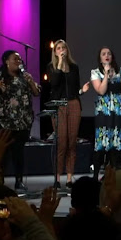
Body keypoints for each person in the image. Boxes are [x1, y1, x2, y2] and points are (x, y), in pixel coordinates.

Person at [0, 50, 41, 191]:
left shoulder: (25, 76)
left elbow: (36, 93)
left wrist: (31, 82)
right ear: (6, 61)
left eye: (20, 60)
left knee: (18, 153)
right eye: (15, 59)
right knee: (2, 154)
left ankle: (19, 181)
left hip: (22, 122)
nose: (19, 62)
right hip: (4, 121)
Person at [48, 39, 89, 189]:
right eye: (58, 48)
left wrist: (82, 92)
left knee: (72, 142)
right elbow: (54, 83)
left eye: (63, 48)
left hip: (73, 104)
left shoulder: (74, 67)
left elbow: (75, 88)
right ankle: (57, 178)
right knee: (62, 142)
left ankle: (70, 178)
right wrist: (59, 64)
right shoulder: (51, 67)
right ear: (55, 52)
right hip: (59, 106)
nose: (61, 50)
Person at [90, 47, 121, 180]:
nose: (107, 55)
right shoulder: (96, 72)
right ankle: (96, 176)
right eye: (103, 54)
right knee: (101, 143)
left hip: (118, 111)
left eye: (109, 53)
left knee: (116, 143)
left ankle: (114, 176)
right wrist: (106, 75)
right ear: (100, 58)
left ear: (112, 57)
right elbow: (101, 91)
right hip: (104, 111)